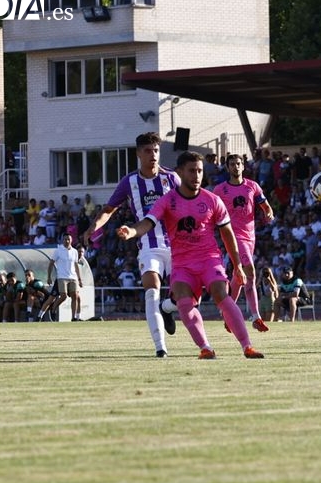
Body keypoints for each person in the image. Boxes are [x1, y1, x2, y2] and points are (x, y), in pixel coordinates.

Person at [116, 151, 264, 359]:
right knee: (184, 303)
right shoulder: (168, 201)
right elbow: (148, 222)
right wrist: (131, 231)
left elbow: (227, 233)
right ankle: (206, 347)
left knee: (221, 292)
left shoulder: (213, 200)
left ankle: (247, 346)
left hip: (209, 259)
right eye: (192, 171)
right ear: (180, 172)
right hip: (183, 264)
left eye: (200, 171)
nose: (197, 176)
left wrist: (237, 264)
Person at [84, 132, 179, 358]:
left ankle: (168, 308)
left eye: (155, 150)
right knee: (151, 291)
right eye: (147, 151)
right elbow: (108, 210)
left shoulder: (172, 178)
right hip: (148, 245)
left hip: (177, 245)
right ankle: (160, 348)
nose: (152, 155)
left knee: (188, 297)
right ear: (138, 154)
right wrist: (92, 228)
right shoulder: (130, 182)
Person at [213, 154, 274, 332]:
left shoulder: (252, 186)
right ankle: (256, 317)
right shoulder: (219, 190)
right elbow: (211, 211)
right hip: (232, 235)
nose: (235, 167)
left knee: (239, 279)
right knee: (250, 273)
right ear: (227, 167)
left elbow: (265, 205)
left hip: (250, 236)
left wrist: (268, 212)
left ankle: (227, 313)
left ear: (243, 166)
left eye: (238, 164)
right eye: (232, 164)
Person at [46, 234, 83, 322]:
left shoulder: (74, 251)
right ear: (62, 240)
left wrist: (79, 279)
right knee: (63, 296)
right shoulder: (58, 250)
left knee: (75, 296)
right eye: (65, 239)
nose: (67, 241)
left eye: (68, 239)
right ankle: (53, 309)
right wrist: (49, 276)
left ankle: (73, 317)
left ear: (71, 240)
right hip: (62, 277)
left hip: (73, 277)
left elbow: (76, 265)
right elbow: (51, 263)